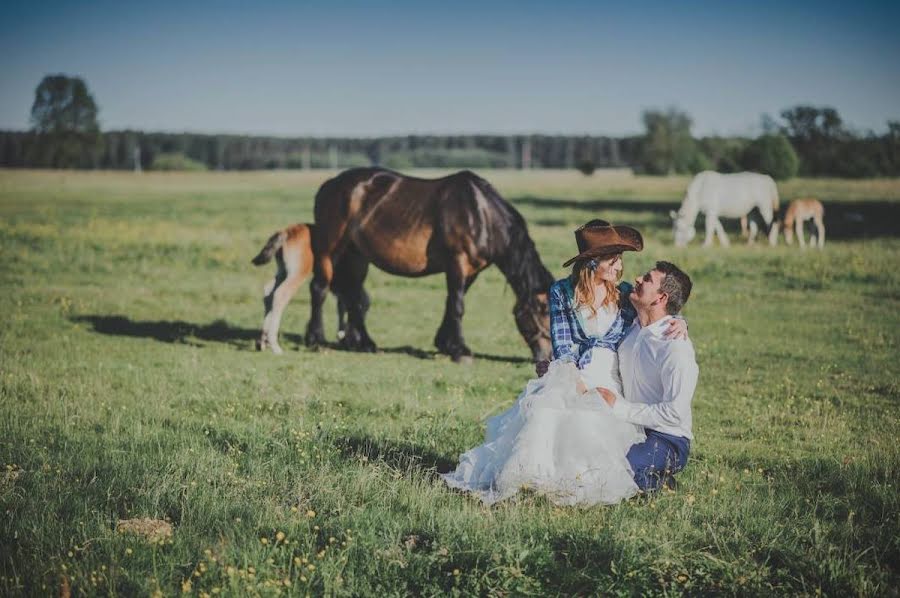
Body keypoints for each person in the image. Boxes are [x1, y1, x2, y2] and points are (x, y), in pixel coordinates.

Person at [441, 220, 687, 505]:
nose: (620, 267)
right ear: (594, 262)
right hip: (572, 372)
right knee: (548, 415)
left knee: (597, 423)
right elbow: (562, 346)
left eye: (619, 259)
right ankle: (535, 481)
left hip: (609, 376)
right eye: (613, 260)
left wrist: (681, 322)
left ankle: (589, 483)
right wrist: (578, 384)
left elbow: (657, 312)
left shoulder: (622, 294)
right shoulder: (561, 292)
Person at [603, 261, 698, 492]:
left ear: (661, 298)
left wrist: (621, 409)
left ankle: (661, 482)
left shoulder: (675, 347)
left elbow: (674, 413)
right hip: (628, 426)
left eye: (646, 279)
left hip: (667, 438)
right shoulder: (631, 328)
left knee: (616, 471)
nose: (637, 279)